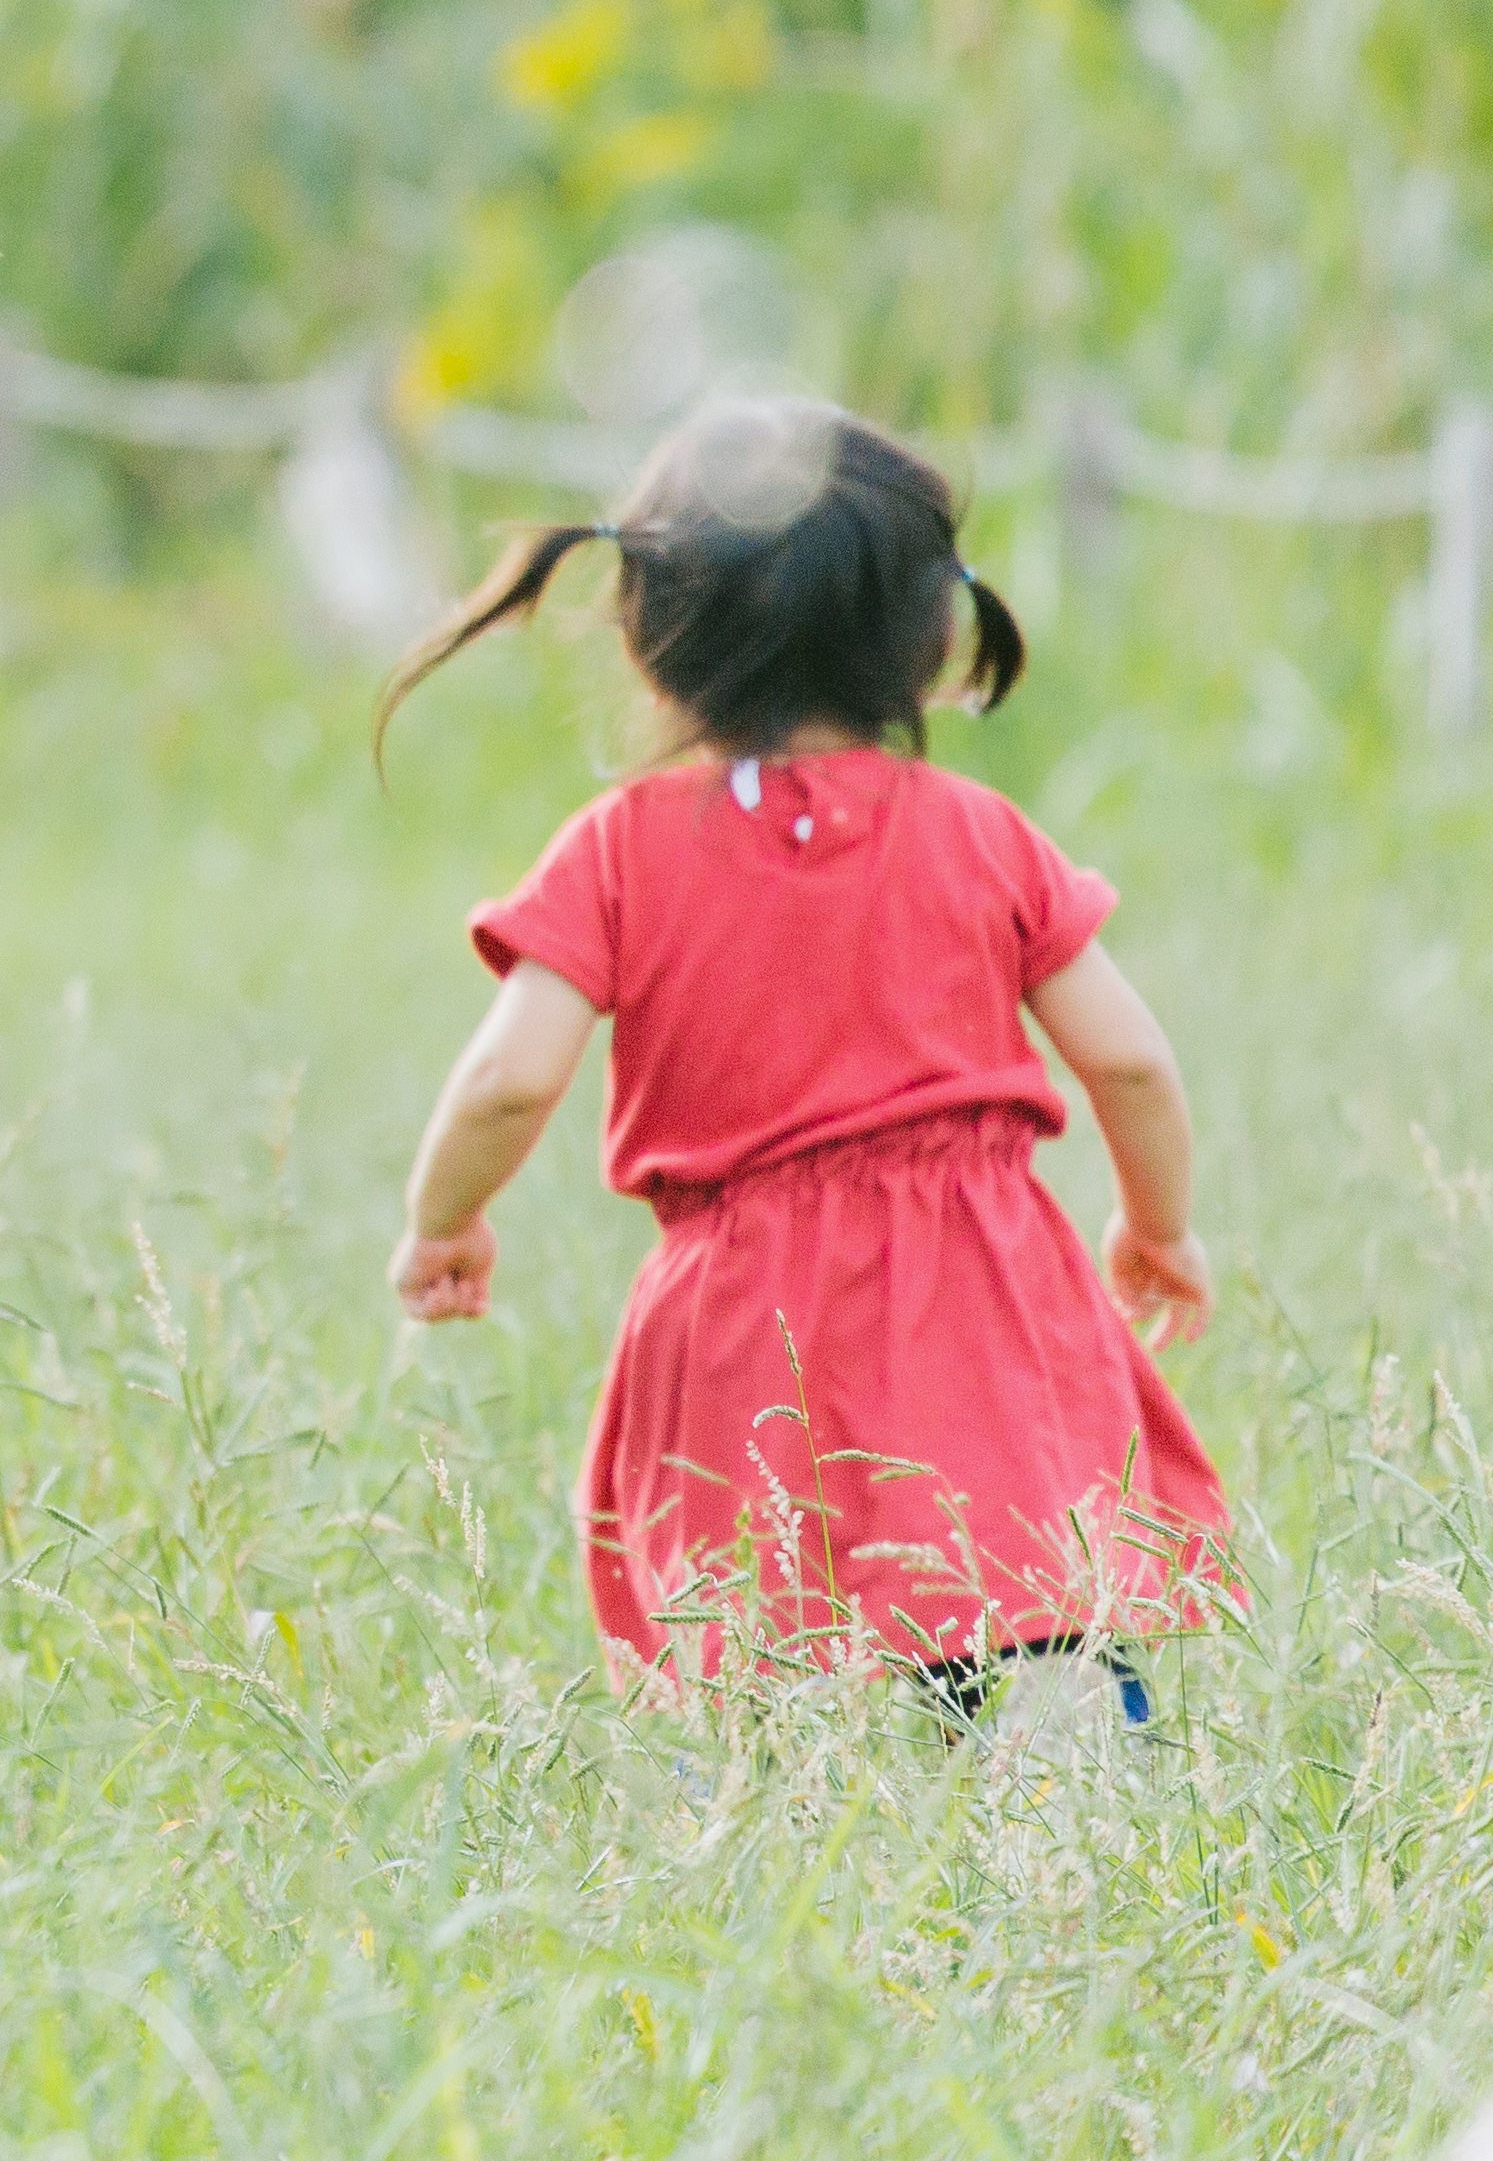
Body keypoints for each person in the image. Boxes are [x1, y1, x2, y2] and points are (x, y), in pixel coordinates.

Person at [382, 396, 1237, 1724]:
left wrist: (442, 1223)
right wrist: (1157, 1223)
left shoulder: (618, 849)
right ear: (929, 632)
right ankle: (1061, 1806)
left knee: (745, 1627)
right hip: (979, 1283)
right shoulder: (982, 833)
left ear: (650, 633)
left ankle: (742, 1837)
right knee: (1018, 1586)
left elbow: (507, 1079)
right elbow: (1129, 1063)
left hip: (736, 1315)